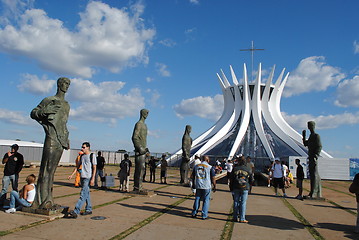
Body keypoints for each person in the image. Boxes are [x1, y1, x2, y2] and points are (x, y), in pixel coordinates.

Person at [30, 77, 71, 209]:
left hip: (61, 139)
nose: (67, 86)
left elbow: (63, 123)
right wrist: (44, 112)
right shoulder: (50, 100)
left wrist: (66, 138)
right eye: (65, 83)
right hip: (51, 137)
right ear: (59, 84)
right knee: (45, 170)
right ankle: (41, 201)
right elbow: (33, 113)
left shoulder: (66, 105)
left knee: (52, 171)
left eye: (68, 84)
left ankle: (48, 199)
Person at [66, 142, 97, 218]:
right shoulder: (82, 156)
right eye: (82, 147)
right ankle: (89, 208)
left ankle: (76, 211)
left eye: (83, 147)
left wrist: (93, 178)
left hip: (88, 177)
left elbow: (94, 168)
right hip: (82, 177)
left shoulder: (92, 156)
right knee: (87, 193)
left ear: (88, 147)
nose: (82, 148)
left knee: (83, 194)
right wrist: (72, 175)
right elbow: (77, 166)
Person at [191, 155, 216, 220]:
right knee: (206, 200)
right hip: (206, 186)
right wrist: (214, 185)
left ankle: (194, 213)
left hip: (198, 185)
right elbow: (213, 178)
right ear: (207, 160)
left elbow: (192, 176)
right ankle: (204, 215)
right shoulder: (210, 167)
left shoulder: (196, 166)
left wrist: (193, 184)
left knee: (197, 199)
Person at [229, 157, 253, 223]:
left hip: (236, 187)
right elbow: (251, 179)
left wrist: (231, 187)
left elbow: (231, 179)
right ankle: (242, 218)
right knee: (243, 202)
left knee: (236, 201)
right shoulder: (248, 169)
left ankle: (235, 217)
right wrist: (250, 188)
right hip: (245, 187)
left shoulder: (235, 169)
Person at [302, 121, 322, 198]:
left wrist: (316, 156)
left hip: (313, 157)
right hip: (310, 157)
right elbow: (305, 144)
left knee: (314, 174)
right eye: (309, 125)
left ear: (314, 126)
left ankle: (315, 192)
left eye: (311, 125)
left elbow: (319, 146)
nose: (310, 127)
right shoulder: (311, 136)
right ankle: (312, 192)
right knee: (312, 174)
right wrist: (304, 136)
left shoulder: (316, 136)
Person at [132, 109, 150, 192]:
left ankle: (139, 186)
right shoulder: (138, 124)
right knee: (139, 169)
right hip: (139, 151)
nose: (147, 114)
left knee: (142, 169)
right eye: (146, 113)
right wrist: (139, 148)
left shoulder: (145, 125)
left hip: (143, 150)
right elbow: (134, 137)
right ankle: (137, 187)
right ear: (142, 114)